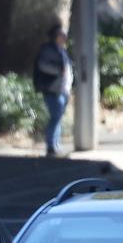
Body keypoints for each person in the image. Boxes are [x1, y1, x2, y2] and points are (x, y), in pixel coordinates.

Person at [33, 24, 73, 157]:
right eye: (62, 34)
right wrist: (57, 71)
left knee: (58, 117)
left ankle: (56, 144)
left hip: (63, 90)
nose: (65, 37)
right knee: (55, 117)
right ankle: (51, 145)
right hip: (52, 89)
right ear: (56, 36)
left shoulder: (62, 50)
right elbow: (42, 65)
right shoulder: (48, 50)